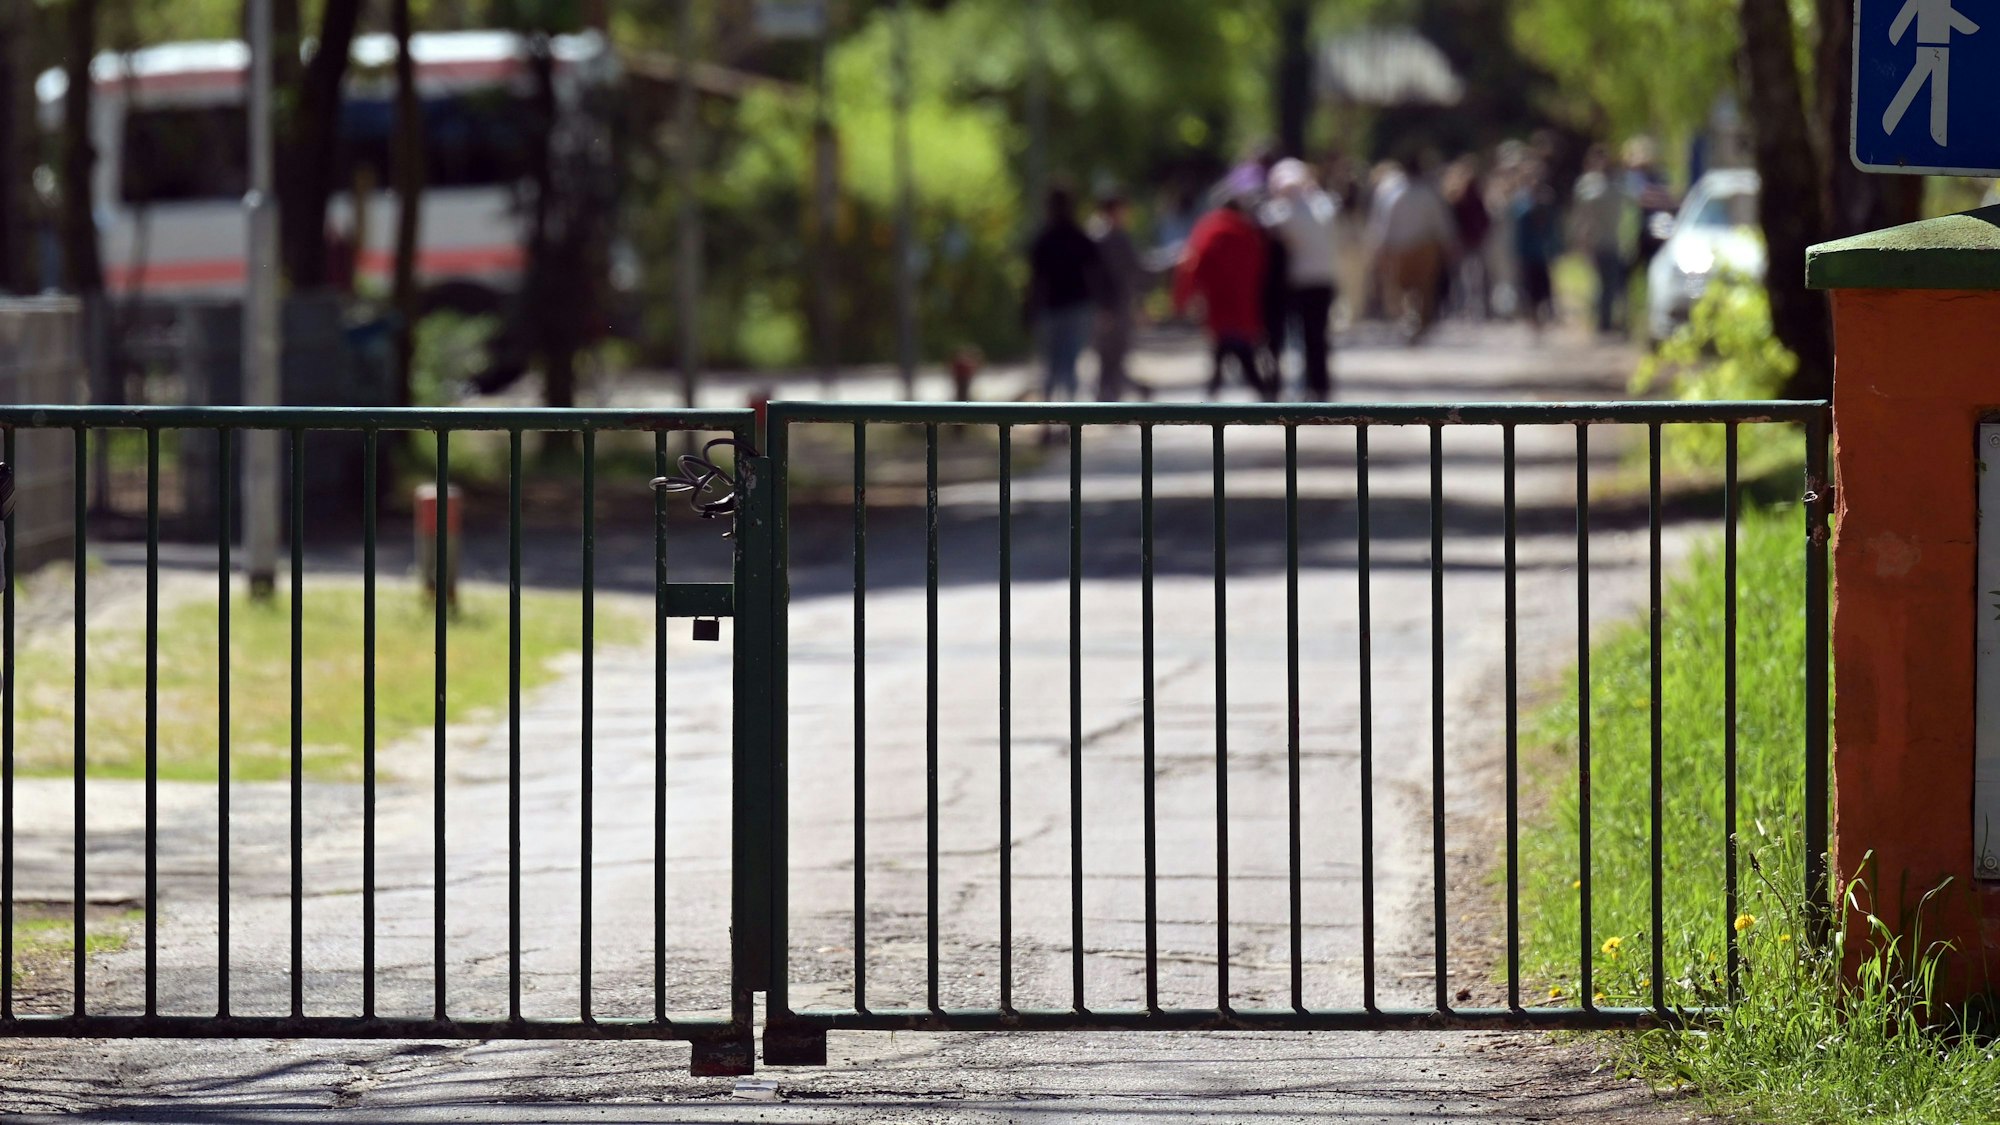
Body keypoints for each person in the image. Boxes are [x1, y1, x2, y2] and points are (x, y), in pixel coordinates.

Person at [1174, 168, 1275, 400]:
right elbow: (1260, 266)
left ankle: (1215, 395)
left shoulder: (1208, 228)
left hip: (1218, 302)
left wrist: (1184, 298)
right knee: (1238, 348)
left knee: (1228, 348)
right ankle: (1257, 395)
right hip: (1242, 302)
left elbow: (1192, 263)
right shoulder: (1246, 231)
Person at [1261, 158, 1340, 400]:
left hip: (1300, 281)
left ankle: (1307, 388)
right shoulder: (1323, 205)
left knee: (1302, 338)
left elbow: (1267, 220)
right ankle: (1319, 388)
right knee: (1316, 338)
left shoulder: (1285, 211)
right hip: (1322, 279)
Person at [1024, 184, 1101, 403]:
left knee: (1051, 365)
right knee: (1068, 364)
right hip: (1076, 308)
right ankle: (1067, 419)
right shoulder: (1080, 238)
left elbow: (1035, 281)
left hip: (1053, 308)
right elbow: (1094, 275)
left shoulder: (1044, 239)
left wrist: (1030, 310)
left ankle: (1049, 420)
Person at [1368, 160, 1457, 342]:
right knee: (1421, 289)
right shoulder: (1425, 193)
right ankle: (1416, 323)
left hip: (1405, 248)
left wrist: (1380, 247)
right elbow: (1440, 222)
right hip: (1420, 248)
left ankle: (1412, 323)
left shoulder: (1393, 194)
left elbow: (1384, 224)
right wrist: (1448, 242)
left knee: (1405, 290)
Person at [1089, 191, 1150, 401]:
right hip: (1107, 308)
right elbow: (1096, 277)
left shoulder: (1120, 237)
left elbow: (1134, 272)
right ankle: (1107, 401)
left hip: (1121, 305)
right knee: (1107, 355)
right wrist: (1102, 308)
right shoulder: (1101, 239)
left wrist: (1139, 304)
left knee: (1117, 355)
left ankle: (1110, 399)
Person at [1571, 145, 1631, 335]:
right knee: (1604, 284)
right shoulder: (1594, 187)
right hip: (1600, 241)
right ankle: (1603, 321)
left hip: (1610, 241)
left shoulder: (1603, 188)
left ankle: (1605, 321)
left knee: (1608, 284)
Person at [1510, 165, 1563, 336]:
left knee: (1544, 288)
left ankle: (1542, 317)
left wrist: (1555, 249)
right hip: (1527, 253)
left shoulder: (1546, 202)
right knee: (1529, 288)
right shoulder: (1521, 202)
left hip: (1542, 253)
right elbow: (1517, 228)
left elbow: (1552, 230)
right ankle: (1532, 318)